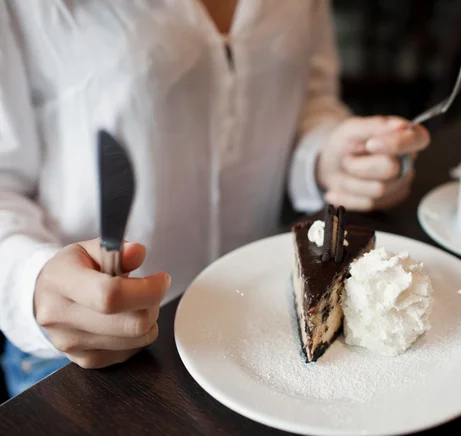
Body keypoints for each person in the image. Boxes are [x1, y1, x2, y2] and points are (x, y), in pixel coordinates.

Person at [0, 0, 430, 397]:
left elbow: (310, 101)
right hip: (89, 360)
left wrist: (327, 156)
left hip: (256, 328)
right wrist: (29, 281)